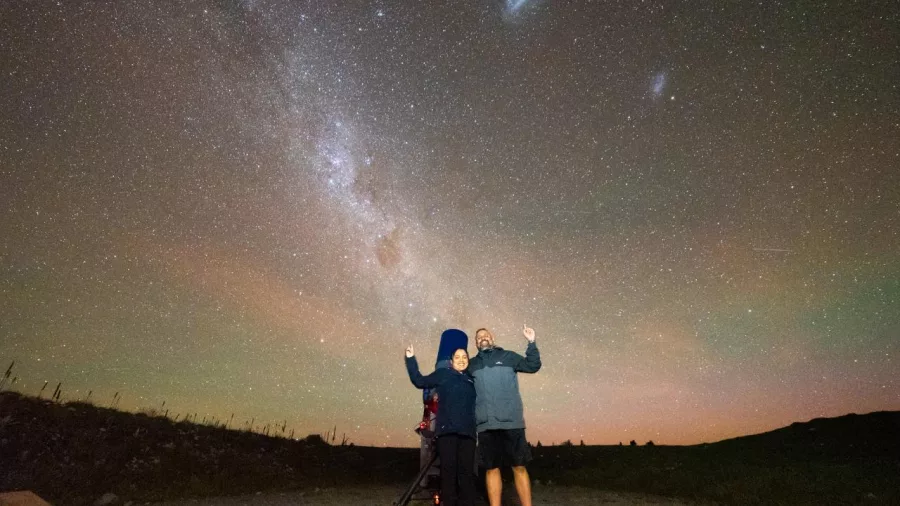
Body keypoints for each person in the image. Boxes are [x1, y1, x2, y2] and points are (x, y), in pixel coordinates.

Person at [468, 325, 541, 506]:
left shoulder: (508, 356)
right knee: (491, 469)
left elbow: (533, 365)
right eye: (478, 337)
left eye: (485, 335)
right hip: (486, 425)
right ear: (476, 343)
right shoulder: (471, 364)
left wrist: (531, 342)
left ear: (492, 337)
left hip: (512, 423)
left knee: (519, 466)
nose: (482, 338)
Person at [405, 343, 477, 506]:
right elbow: (419, 381)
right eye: (457, 357)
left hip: (468, 434)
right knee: (448, 474)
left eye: (464, 357)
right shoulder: (443, 374)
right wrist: (410, 359)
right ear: (451, 361)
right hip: (447, 433)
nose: (461, 360)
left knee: (466, 476)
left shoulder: (472, 379)